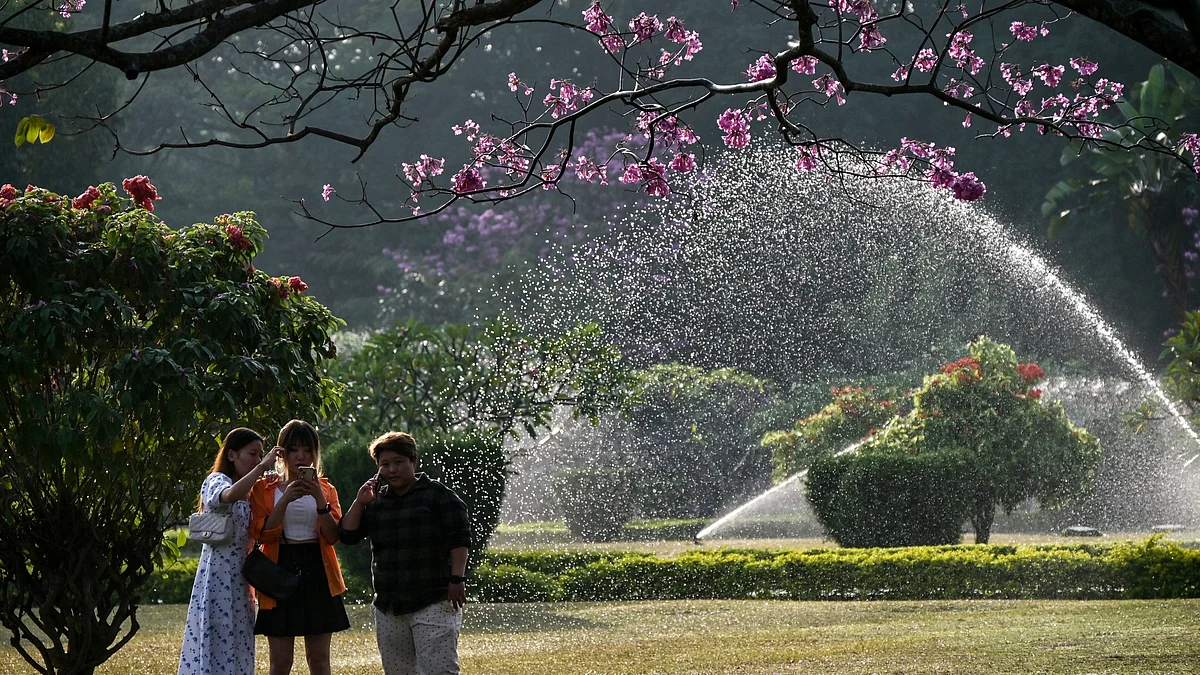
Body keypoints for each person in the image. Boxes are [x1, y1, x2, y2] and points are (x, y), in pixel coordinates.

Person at [340, 431, 472, 675]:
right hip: (389, 604)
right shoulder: (377, 501)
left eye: (399, 462)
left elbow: (460, 540)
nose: (392, 470)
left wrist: (457, 579)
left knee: (438, 670)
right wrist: (360, 502)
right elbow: (347, 535)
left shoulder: (438, 495)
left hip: (434, 599)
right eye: (385, 465)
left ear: (414, 461)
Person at [249, 419, 349, 675]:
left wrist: (318, 498)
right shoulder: (265, 487)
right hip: (279, 568)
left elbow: (332, 535)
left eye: (307, 450)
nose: (301, 456)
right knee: (281, 662)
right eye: (294, 450)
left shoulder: (326, 489)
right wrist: (285, 500)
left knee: (319, 660)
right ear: (282, 452)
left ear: (315, 453)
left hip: (318, 570)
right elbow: (262, 534)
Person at [178, 428, 280, 675]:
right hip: (217, 576)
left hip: (243, 578)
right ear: (232, 455)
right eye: (252, 454)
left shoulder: (253, 489)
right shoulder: (217, 481)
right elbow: (227, 496)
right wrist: (261, 469)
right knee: (216, 636)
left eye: (261, 456)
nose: (258, 460)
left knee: (239, 638)